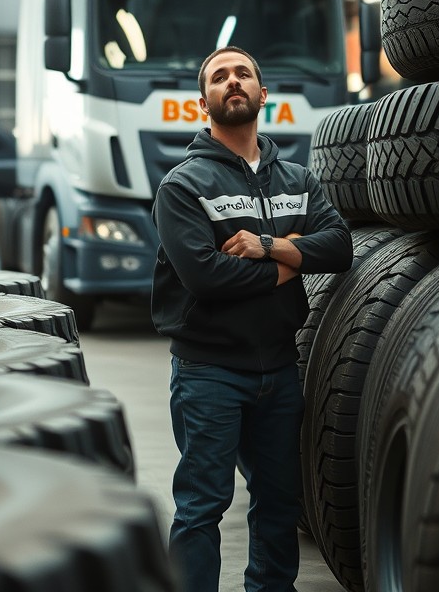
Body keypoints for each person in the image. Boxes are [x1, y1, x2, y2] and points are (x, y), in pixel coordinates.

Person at [151, 46, 353, 592]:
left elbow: (340, 247)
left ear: (263, 95)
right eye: (220, 77)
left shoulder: (299, 180)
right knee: (202, 507)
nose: (233, 82)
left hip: (281, 372)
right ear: (205, 103)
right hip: (209, 373)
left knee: (278, 502)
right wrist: (293, 257)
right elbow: (208, 279)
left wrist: (268, 247)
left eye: (243, 74)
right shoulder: (183, 186)